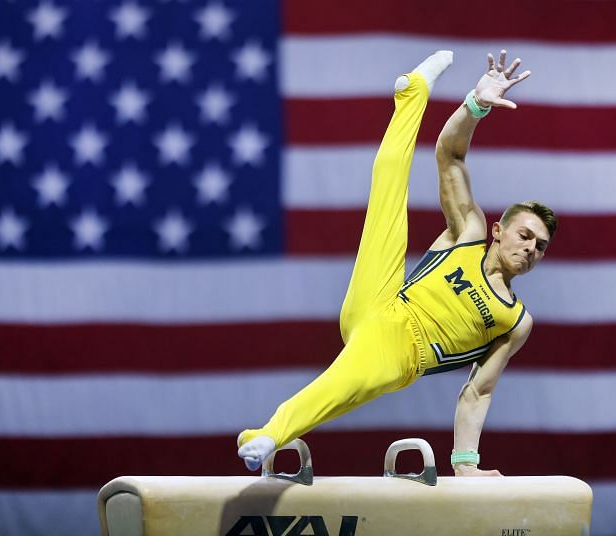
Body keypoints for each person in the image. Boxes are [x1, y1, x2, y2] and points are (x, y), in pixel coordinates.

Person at [238, 50, 556, 477]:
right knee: (387, 195)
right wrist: (475, 106)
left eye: (540, 246)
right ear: (499, 230)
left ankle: (268, 433)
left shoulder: (515, 321)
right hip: (383, 301)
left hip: (404, 352)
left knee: (341, 387)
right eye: (525, 235)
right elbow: (451, 156)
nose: (531, 249)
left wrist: (464, 465)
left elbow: (478, 392)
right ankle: (413, 94)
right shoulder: (470, 233)